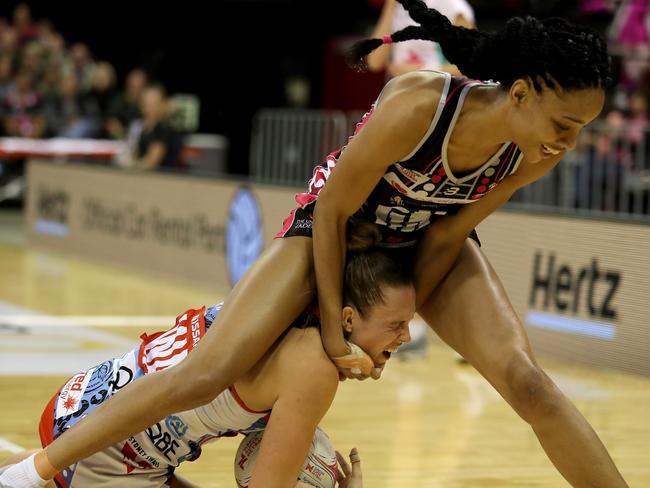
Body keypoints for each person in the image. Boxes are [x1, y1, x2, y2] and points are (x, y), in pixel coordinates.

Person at [0, 1, 629, 487]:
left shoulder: (532, 150)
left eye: (582, 129)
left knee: (530, 385)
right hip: (331, 229)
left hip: (424, 239)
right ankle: (31, 472)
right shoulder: (419, 104)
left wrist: (395, 321)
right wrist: (335, 333)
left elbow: (447, 235)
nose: (568, 143)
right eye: (565, 125)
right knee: (208, 371)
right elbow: (331, 211)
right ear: (519, 93)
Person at [0, 250, 405, 487]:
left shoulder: (285, 294)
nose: (405, 336)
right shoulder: (313, 370)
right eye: (396, 324)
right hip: (113, 455)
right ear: (348, 318)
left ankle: (24, 471)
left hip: (86, 403)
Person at [366, 0, 475, 77]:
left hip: (437, 95)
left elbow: (470, 64)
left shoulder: (453, 4)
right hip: (400, 93)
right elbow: (375, 62)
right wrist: (389, 6)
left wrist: (420, 71)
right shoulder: (396, 7)